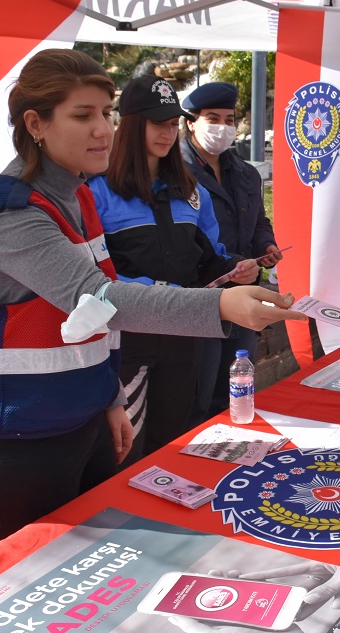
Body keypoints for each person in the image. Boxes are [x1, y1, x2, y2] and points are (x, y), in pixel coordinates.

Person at [0, 50, 305, 550]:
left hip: (78, 419)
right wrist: (220, 306)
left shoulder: (77, 194)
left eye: (105, 113)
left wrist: (105, 395)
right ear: (35, 124)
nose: (103, 130)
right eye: (83, 116)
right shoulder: (14, 211)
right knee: (31, 586)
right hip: (10, 438)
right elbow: (100, 299)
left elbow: (90, 323)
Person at [87, 75, 258, 458]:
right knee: (124, 451)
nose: (167, 133)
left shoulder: (191, 191)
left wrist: (237, 268)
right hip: (127, 341)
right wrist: (159, 292)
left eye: (171, 124)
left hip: (185, 337)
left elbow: (210, 257)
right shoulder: (97, 192)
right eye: (156, 123)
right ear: (130, 125)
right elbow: (92, 276)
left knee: (176, 439)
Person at [179, 82, 281, 424]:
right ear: (191, 122)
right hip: (200, 294)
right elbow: (180, 238)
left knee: (237, 384)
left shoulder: (246, 173)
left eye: (229, 119)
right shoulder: (175, 172)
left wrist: (265, 246)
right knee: (199, 390)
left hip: (244, 292)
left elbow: (258, 219)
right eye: (212, 118)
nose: (222, 127)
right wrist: (232, 264)